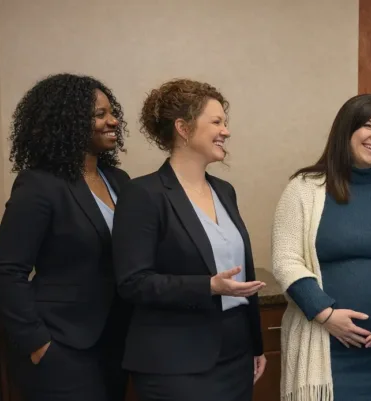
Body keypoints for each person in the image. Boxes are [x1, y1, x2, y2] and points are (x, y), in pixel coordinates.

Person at [112, 79, 267, 401]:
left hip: (236, 354)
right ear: (183, 128)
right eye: (216, 122)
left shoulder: (225, 191)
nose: (226, 131)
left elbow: (242, 274)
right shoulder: (143, 194)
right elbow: (133, 282)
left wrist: (256, 345)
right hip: (175, 363)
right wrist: (208, 286)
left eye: (225, 122)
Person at [271, 94, 371, 401]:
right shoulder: (304, 188)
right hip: (324, 347)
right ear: (346, 129)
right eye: (368, 126)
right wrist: (325, 314)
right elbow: (286, 259)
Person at [0, 73, 131, 401]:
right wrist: (37, 343)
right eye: (100, 115)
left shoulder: (120, 181)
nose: (113, 121)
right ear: (68, 121)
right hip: (62, 345)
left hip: (116, 342)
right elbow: (6, 269)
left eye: (113, 113)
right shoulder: (39, 185)